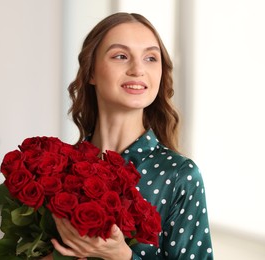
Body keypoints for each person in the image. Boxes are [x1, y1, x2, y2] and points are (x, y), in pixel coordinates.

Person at [43, 12, 213, 259]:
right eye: (121, 56)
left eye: (151, 58)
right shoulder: (55, 169)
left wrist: (122, 256)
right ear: (91, 72)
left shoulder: (180, 176)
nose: (137, 69)